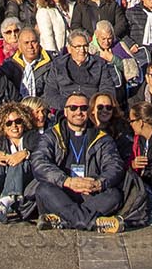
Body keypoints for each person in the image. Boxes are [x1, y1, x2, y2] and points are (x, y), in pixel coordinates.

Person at [31, 91, 128, 232]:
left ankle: (64, 220)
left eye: (83, 108)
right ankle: (92, 223)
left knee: (114, 195)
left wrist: (98, 183)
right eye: (73, 108)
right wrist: (67, 181)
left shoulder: (102, 138)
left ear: (89, 111)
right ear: (65, 112)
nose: (78, 112)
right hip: (62, 191)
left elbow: (115, 166)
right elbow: (39, 162)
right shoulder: (51, 135)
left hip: (90, 192)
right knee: (43, 189)